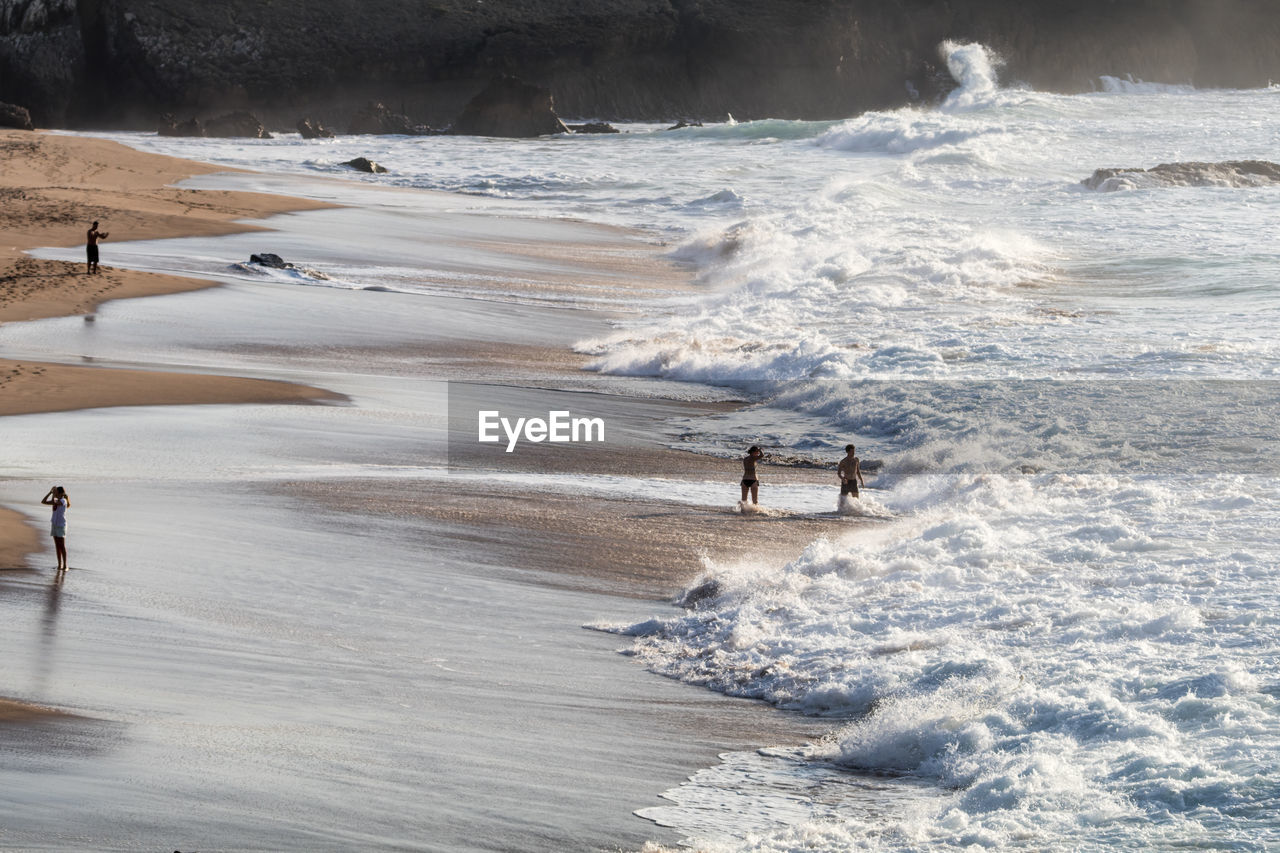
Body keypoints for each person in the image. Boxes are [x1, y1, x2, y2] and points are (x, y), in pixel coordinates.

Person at [41, 485, 70, 571]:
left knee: (62, 546)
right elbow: (43, 501)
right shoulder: (56, 500)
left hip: (61, 525)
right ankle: (59, 565)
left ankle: (65, 565)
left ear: (61, 493)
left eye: (57, 492)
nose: (55, 493)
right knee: (57, 546)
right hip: (54, 524)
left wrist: (53, 494)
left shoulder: (63, 501)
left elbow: (55, 502)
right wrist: (50, 492)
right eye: (55, 492)